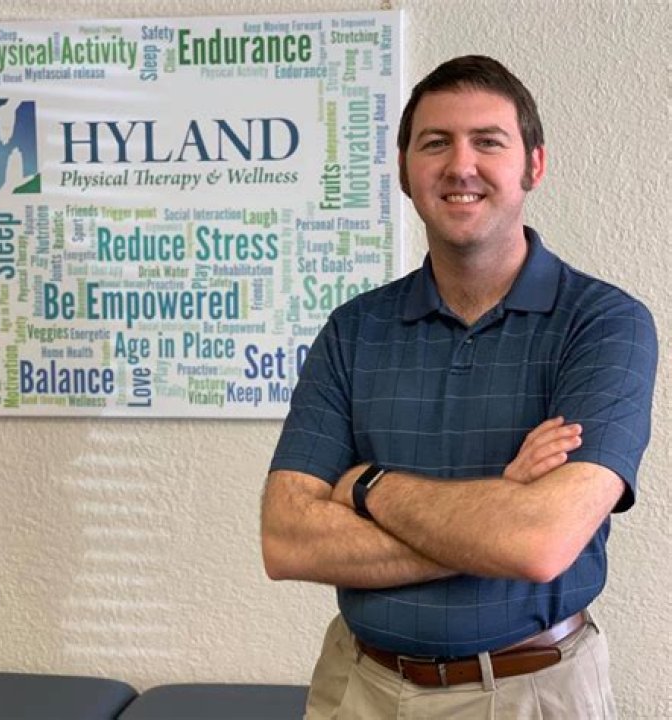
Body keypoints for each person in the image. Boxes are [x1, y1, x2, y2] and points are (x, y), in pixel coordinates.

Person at [261, 55, 657, 719]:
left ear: (534, 165)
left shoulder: (604, 324)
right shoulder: (355, 330)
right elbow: (287, 540)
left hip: (529, 691)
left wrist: (367, 487)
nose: (460, 165)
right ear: (404, 170)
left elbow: (539, 544)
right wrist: (501, 503)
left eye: (488, 142)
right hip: (357, 687)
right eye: (435, 143)